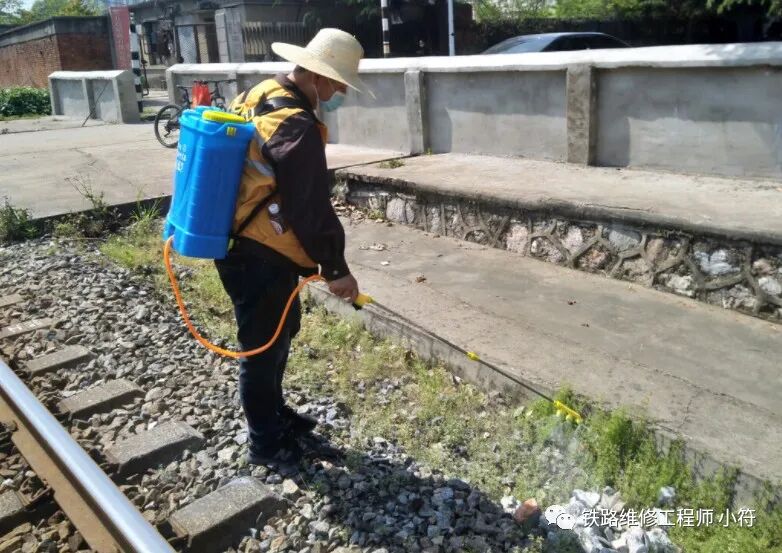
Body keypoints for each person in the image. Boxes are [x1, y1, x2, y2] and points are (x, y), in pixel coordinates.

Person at [216, 29, 369, 467]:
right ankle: (266, 444)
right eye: (338, 83)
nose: (339, 92)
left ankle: (275, 417)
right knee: (262, 350)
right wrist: (336, 268)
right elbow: (309, 206)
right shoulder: (297, 126)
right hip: (258, 252)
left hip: (242, 242)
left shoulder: (262, 92)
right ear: (318, 77)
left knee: (277, 338)